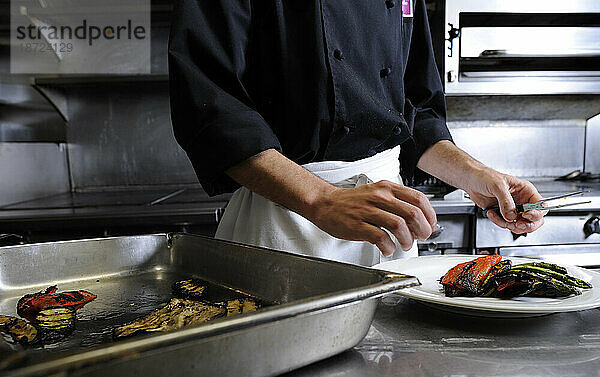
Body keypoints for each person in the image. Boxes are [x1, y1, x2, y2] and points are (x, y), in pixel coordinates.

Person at [168, 0, 546, 266]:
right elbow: (210, 106)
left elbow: (414, 110)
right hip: (287, 220)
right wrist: (322, 200)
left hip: (389, 223)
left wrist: (475, 176)